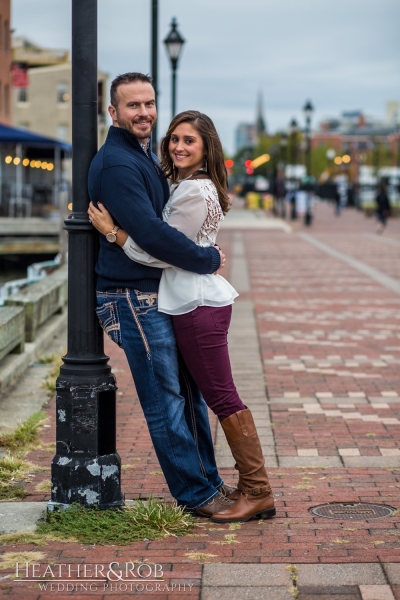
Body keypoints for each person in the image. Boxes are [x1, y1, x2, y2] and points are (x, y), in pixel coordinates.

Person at [88, 108, 276, 523]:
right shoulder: (187, 184)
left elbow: (159, 249)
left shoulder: (193, 191)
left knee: (218, 395)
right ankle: (239, 487)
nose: (178, 146)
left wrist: (112, 233)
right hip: (192, 301)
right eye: (174, 139)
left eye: (189, 140)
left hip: (194, 304)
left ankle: (257, 490)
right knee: (201, 395)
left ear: (207, 147)